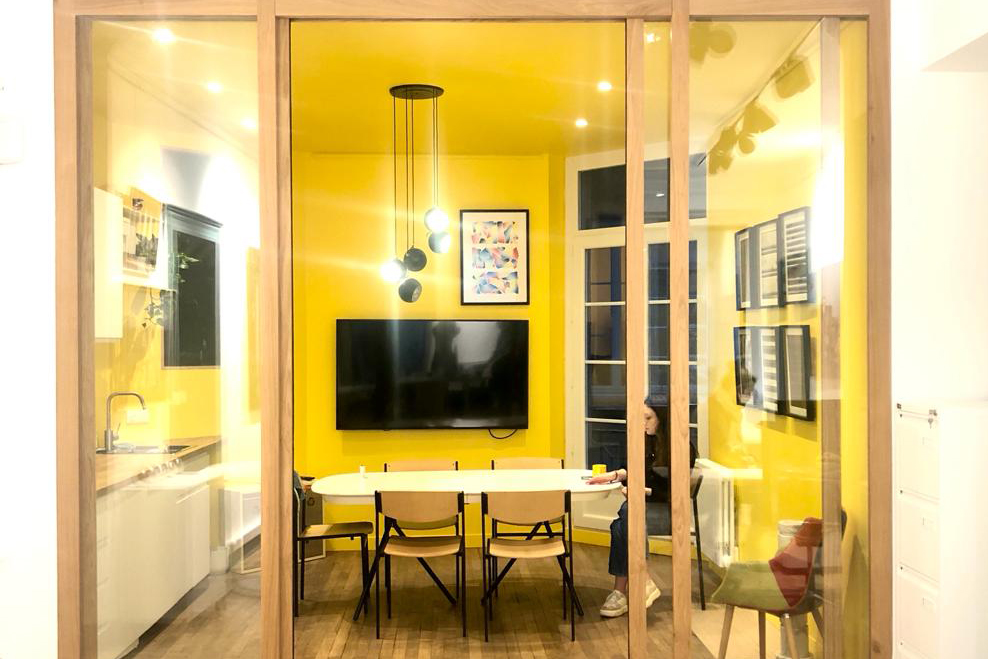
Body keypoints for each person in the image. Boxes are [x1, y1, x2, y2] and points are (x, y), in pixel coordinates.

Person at [587, 397, 698, 618]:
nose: (643, 423)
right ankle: (640, 582)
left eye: (648, 418)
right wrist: (614, 475)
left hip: (669, 511)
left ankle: (622, 591)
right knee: (624, 521)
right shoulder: (647, 441)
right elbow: (634, 470)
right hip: (643, 506)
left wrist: (642, 492)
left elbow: (674, 493)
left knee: (626, 518)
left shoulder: (682, 447)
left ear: (663, 419)